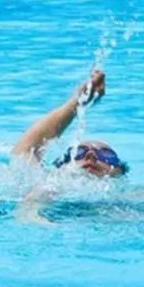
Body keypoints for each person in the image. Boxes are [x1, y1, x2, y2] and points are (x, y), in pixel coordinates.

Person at [12, 69, 126, 222]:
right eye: (78, 153)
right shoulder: (45, 182)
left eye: (106, 155)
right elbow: (27, 148)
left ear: (119, 172)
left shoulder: (129, 197)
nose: (90, 156)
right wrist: (76, 103)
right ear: (60, 167)